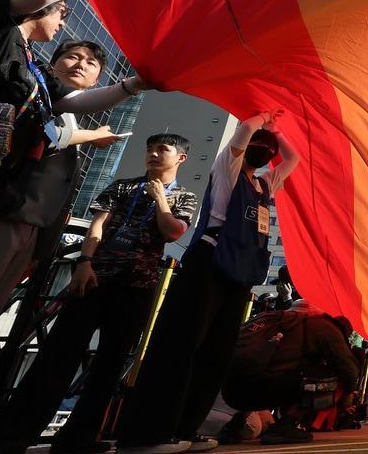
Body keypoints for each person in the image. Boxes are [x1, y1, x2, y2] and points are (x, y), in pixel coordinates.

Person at [0, 0, 147, 363]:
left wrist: (134, 85)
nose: (63, 20)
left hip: (5, 201)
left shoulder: (33, 64)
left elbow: (74, 102)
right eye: (61, 11)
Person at [0, 134, 199, 454]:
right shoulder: (123, 186)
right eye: (150, 148)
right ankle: (14, 435)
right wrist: (85, 262)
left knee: (109, 365)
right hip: (96, 278)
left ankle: (78, 439)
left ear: (180, 158)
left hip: (137, 286)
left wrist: (160, 200)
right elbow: (97, 224)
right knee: (58, 354)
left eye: (162, 150)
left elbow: (172, 232)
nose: (153, 154)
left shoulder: (185, 197)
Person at [116, 110, 301, 453]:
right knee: (181, 344)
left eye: (268, 148)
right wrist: (262, 118)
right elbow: (243, 134)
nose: (263, 149)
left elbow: (293, 158)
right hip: (208, 264)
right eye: (257, 144)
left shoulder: (265, 185)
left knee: (216, 353)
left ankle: (186, 428)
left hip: (239, 275)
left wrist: (276, 131)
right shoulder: (228, 171)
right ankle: (147, 434)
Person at [221, 300, 361, 445]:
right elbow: (349, 369)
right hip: (267, 389)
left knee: (261, 369)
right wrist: (348, 395)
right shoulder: (322, 325)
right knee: (331, 375)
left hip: (231, 391)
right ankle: (286, 425)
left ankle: (235, 425)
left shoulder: (269, 318)